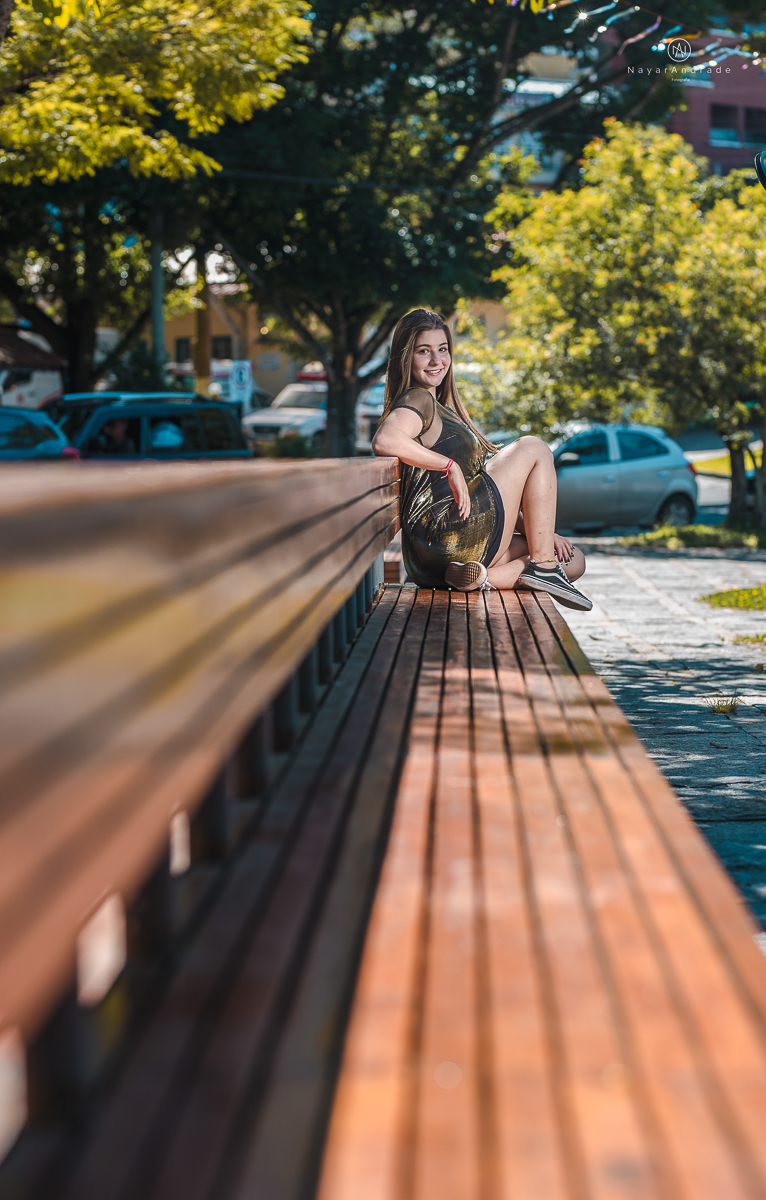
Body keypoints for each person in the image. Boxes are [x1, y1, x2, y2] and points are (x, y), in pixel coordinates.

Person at [371, 308, 591, 610]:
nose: (437, 361)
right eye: (424, 351)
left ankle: (482, 577)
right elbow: (385, 439)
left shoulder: (440, 406)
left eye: (443, 350)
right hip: (449, 533)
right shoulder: (417, 398)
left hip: (438, 559)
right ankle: (542, 567)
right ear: (406, 357)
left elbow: (496, 496)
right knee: (534, 447)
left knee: (574, 560)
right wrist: (448, 466)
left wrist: (544, 534)